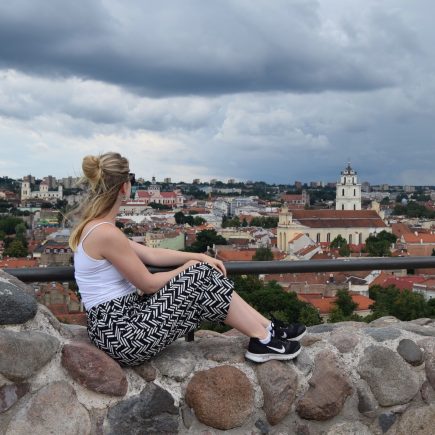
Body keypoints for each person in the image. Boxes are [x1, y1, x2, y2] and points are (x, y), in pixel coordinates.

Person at [69, 152, 306, 366]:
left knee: (202, 272)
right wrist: (189, 267)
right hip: (122, 336)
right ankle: (262, 340)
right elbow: (148, 284)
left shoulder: (98, 228)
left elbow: (151, 254)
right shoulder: (106, 233)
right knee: (200, 275)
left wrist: (198, 256)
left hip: (119, 325)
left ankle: (267, 330)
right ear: (124, 186)